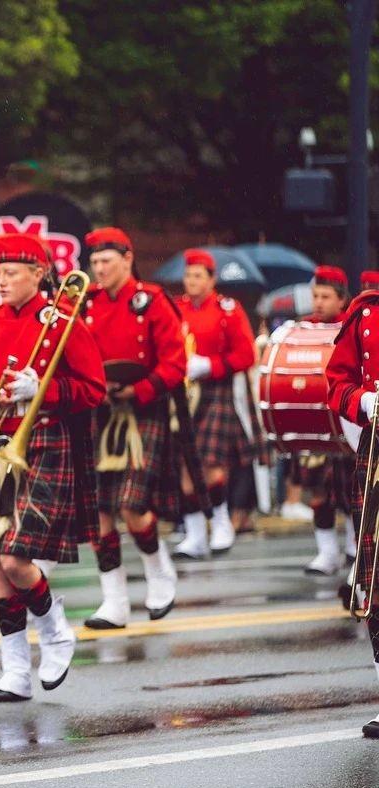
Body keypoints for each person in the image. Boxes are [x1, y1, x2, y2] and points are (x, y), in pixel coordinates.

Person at [0, 233, 105, 701]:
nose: (0, 280)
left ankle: (56, 631)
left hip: (44, 439)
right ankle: (15, 669)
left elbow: (93, 389)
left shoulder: (61, 319)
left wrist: (42, 389)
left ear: (38, 274)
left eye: (10, 272)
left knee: (17, 558)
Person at [81, 228, 185, 628]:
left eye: (107, 261)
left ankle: (159, 572)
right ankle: (114, 600)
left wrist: (138, 388)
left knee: (132, 506)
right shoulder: (86, 303)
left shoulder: (152, 301)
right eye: (94, 262)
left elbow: (175, 363)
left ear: (127, 258)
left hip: (144, 411)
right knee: (100, 514)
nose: (100, 269)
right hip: (101, 412)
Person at [172, 249, 257, 559]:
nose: (191, 281)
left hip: (216, 389)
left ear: (212, 279)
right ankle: (195, 536)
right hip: (183, 394)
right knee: (186, 467)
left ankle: (221, 522)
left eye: (198, 276)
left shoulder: (228, 309)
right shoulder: (176, 308)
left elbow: (247, 355)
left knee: (212, 466)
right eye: (188, 275)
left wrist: (209, 365)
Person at [324, 282, 379, 738]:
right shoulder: (365, 314)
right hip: (377, 446)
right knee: (378, 577)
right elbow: (335, 381)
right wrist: (361, 400)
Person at [293, 266, 355, 575]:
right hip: (315, 423)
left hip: (346, 423)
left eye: (325, 297)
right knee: (318, 490)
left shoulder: (353, 327)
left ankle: (355, 548)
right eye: (315, 296)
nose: (318, 302)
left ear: (342, 300)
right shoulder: (304, 329)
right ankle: (327, 553)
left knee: (351, 490)